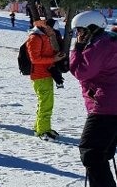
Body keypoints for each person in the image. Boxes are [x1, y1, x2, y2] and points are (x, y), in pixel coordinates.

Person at [69, 11, 117, 187]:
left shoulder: (101, 45)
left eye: (81, 31)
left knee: (91, 153)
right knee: (100, 154)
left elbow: (81, 71)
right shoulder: (108, 41)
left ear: (92, 28)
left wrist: (78, 49)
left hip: (106, 106)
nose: (79, 35)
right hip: (109, 104)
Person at [26, 19, 65, 141]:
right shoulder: (35, 38)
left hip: (46, 74)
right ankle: (43, 131)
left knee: (46, 103)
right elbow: (35, 59)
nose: (53, 33)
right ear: (46, 27)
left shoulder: (43, 36)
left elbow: (47, 53)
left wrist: (57, 56)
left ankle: (41, 127)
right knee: (46, 104)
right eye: (52, 30)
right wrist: (53, 59)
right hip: (39, 76)